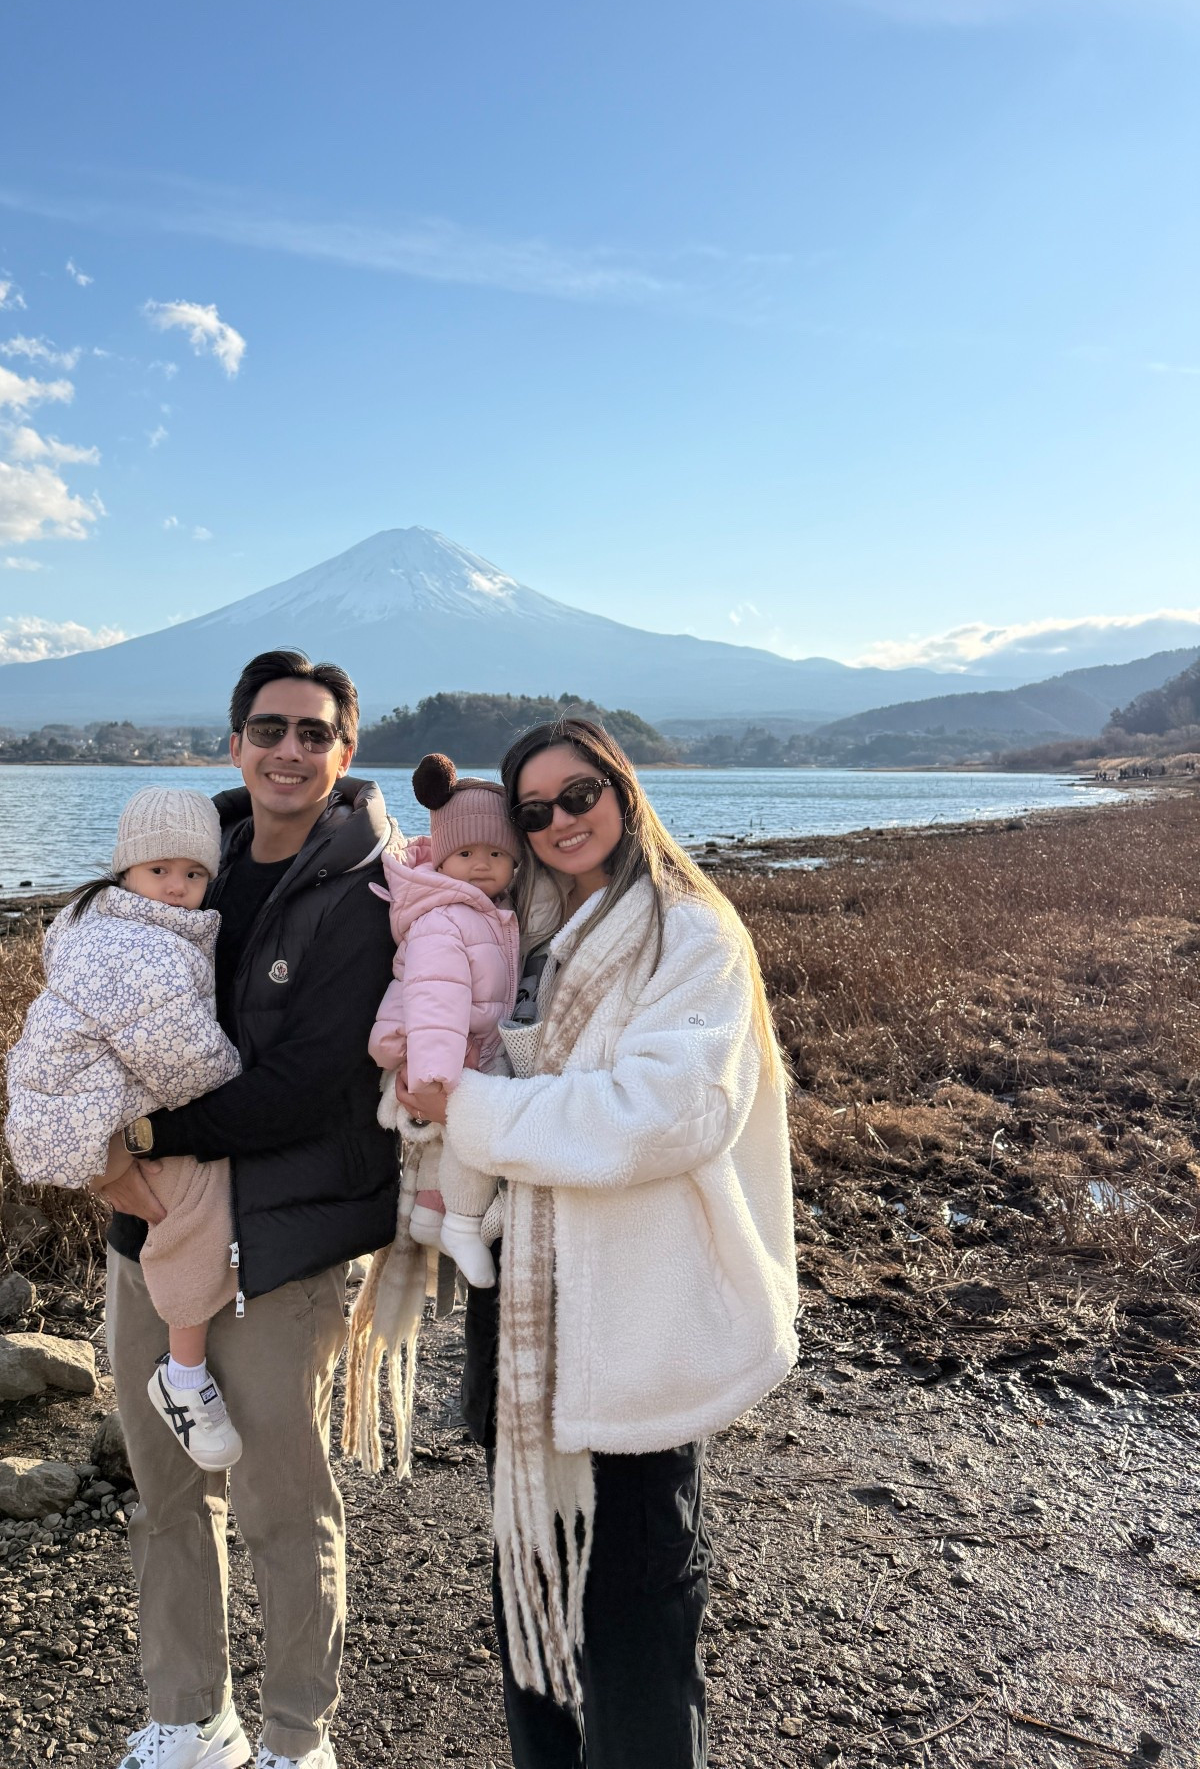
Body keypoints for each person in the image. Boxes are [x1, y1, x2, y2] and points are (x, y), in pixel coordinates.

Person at [397, 715, 798, 1768]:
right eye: (536, 809)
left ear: (623, 789)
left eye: (581, 794)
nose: (563, 820)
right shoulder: (525, 923)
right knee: (530, 1583)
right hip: (527, 1308)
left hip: (634, 1313)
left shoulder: (691, 930)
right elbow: (423, 928)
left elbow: (669, 1109)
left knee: (634, 1605)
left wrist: (473, 1109)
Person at [97, 651, 400, 1769]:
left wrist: (143, 1136)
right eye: (267, 727)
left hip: (284, 1238)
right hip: (155, 1232)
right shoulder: (178, 868)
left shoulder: (372, 890)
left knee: (281, 1501)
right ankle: (189, 1716)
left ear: (344, 751)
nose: (288, 748)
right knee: (166, 1490)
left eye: (312, 732)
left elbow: (308, 1081)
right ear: (232, 743)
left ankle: (295, 1737)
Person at [4, 786, 245, 1470]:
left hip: (71, 1105)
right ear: (125, 874)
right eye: (159, 871)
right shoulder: (146, 950)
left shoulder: (95, 925)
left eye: (194, 874)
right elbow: (186, 1062)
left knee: (171, 1210)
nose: (177, 887)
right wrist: (241, 1082)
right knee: (194, 1211)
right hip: (91, 1112)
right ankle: (186, 1374)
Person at [368, 753, 520, 1288]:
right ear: (441, 854)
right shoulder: (446, 918)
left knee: (447, 1152)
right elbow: (436, 1000)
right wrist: (436, 1077)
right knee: (469, 1140)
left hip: (463, 1049)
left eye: (497, 852)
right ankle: (459, 1223)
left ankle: (434, 1217)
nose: (482, 863)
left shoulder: (483, 908)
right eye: (466, 851)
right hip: (442, 1058)